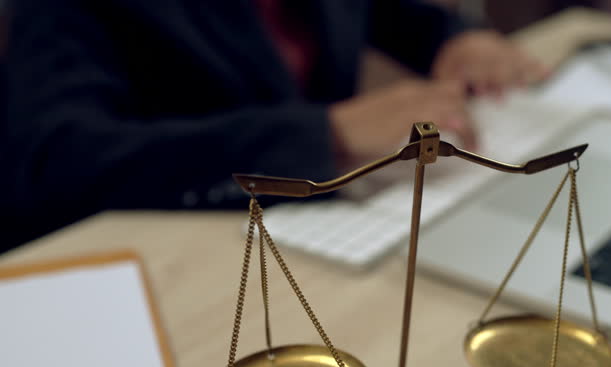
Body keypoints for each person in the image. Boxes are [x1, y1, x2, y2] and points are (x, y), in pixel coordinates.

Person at [0, 0, 547, 252]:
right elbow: (55, 160)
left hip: (308, 227)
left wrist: (451, 38)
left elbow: (383, 12)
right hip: (173, 252)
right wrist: (321, 133)